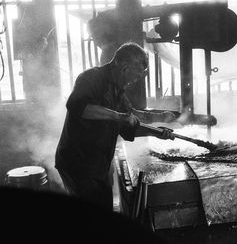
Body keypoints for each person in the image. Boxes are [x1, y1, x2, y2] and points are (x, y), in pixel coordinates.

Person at [55, 42, 175, 211]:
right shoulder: (90, 78)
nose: (134, 82)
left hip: (100, 165)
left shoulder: (118, 93)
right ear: (124, 68)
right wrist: (118, 116)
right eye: (135, 77)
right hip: (78, 164)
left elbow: (129, 128)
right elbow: (77, 106)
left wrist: (156, 133)